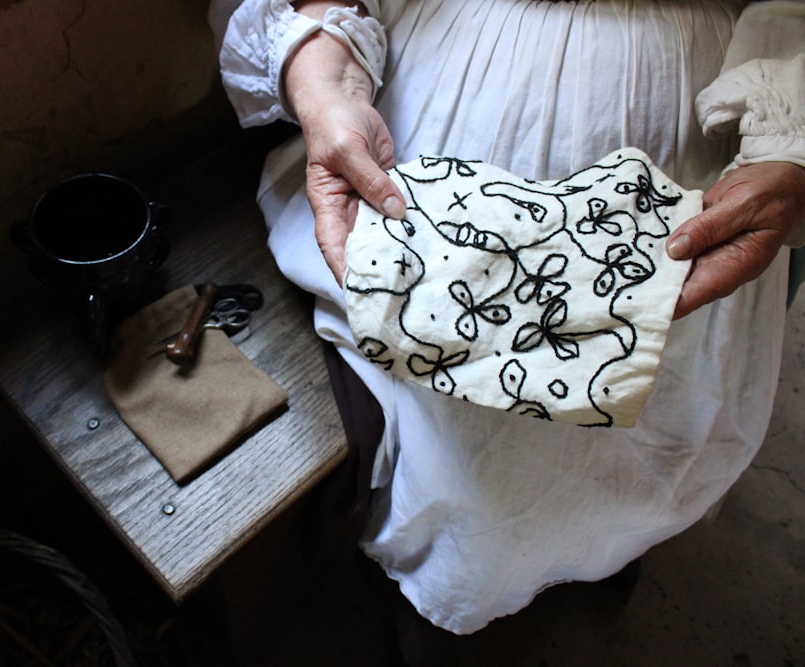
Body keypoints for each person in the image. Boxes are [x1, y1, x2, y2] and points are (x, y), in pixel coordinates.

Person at [210, 0, 805, 639]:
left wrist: (788, 143)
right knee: (461, 467)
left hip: (684, 139)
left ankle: (605, 551)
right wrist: (326, 84)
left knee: (636, 436)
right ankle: (441, 609)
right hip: (435, 102)